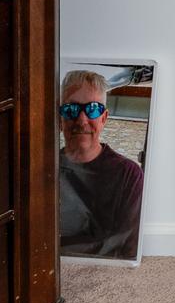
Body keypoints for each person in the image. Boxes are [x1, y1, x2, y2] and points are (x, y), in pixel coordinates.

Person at [57, 69, 144, 260]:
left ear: (103, 118)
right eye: (71, 109)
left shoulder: (129, 175)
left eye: (92, 109)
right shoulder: (44, 168)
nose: (81, 119)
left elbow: (128, 248)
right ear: (60, 119)